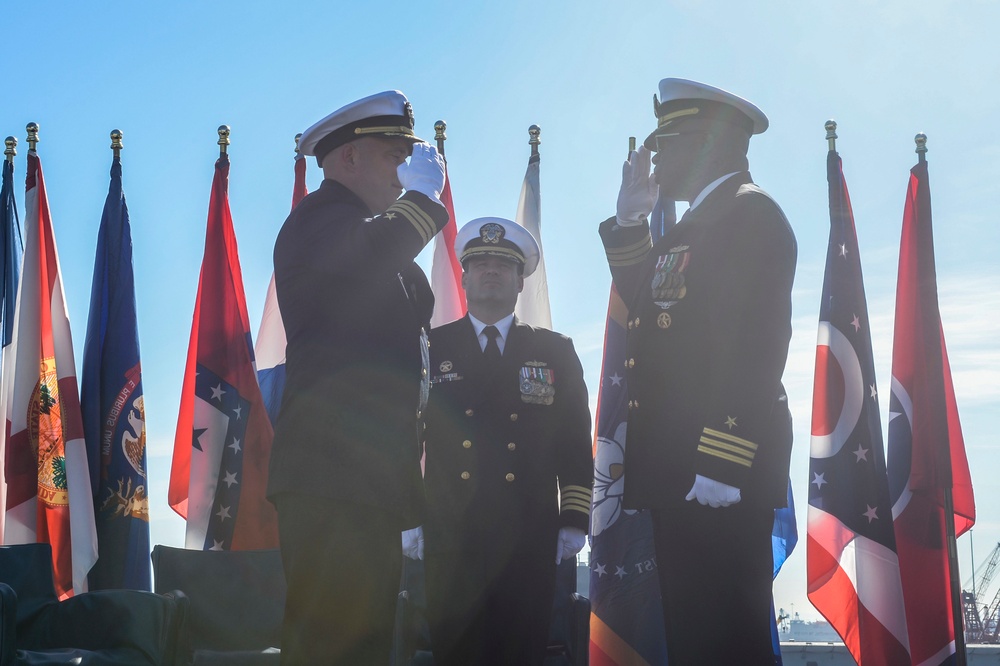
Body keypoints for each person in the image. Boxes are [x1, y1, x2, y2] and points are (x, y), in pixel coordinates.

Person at [598, 78, 797, 664]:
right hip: (683, 472)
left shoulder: (750, 214)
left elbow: (758, 344)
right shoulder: (699, 224)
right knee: (695, 638)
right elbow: (653, 310)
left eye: (666, 147)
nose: (656, 162)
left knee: (725, 642)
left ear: (705, 145)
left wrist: (721, 456)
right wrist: (631, 228)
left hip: (715, 474)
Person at [267, 90, 448, 665]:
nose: (404, 175)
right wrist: (422, 200)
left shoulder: (383, 251)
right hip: (329, 478)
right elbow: (369, 254)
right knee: (329, 646)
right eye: (395, 158)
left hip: (371, 483)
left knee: (366, 644)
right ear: (348, 159)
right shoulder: (315, 223)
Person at [412, 218, 593, 666]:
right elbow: (402, 433)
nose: (491, 271)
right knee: (457, 652)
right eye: (481, 264)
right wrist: (406, 512)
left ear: (519, 282)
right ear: (464, 277)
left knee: (521, 651)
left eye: (503, 265)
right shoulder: (429, 348)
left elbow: (573, 438)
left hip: (527, 535)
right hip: (451, 535)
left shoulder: (555, 351)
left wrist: (573, 518)